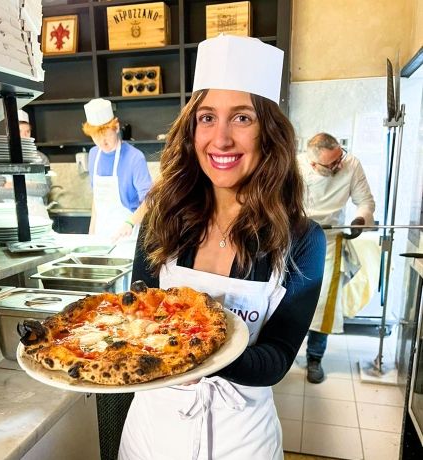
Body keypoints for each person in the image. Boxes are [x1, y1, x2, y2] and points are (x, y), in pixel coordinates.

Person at [117, 34, 326, 460]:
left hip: (243, 438)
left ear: (269, 133)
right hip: (152, 431)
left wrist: (190, 354)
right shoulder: (162, 219)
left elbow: (278, 356)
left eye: (243, 119)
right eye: (207, 117)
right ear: (191, 128)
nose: (221, 139)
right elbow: (138, 313)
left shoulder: (303, 239)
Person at [297, 132, 375, 384]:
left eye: (339, 158)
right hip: (296, 238)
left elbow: (365, 202)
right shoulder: (295, 166)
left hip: (331, 240)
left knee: (323, 305)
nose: (338, 165)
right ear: (313, 164)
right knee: (290, 300)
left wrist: (359, 221)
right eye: (332, 164)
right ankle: (285, 353)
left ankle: (315, 358)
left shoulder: (351, 165)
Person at [82, 98, 152, 241]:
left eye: (106, 135)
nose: (102, 142)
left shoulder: (135, 158)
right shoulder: (94, 154)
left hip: (127, 235)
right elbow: (97, 198)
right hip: (100, 234)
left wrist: (129, 223)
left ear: (116, 127)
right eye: (96, 137)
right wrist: (91, 232)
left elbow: (149, 200)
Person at [0, 110, 51, 219]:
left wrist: (10, 184)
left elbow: (43, 190)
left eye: (27, 131)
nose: (24, 136)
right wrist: (31, 184)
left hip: (37, 215)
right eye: (19, 131)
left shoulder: (41, 158)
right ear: (10, 133)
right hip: (7, 215)